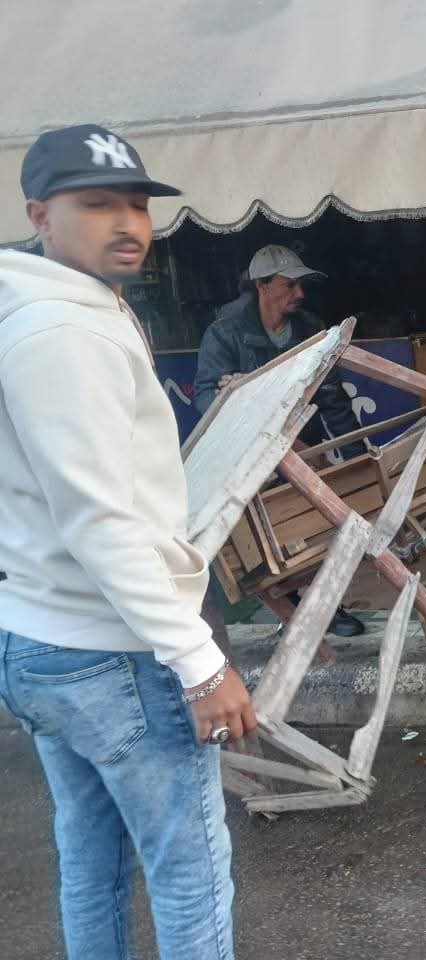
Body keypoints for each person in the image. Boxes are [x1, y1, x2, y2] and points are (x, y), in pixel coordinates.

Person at [0, 124, 253, 959]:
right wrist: (199, 662)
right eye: (98, 203)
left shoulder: (52, 309)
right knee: (191, 878)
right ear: (40, 215)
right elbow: (99, 520)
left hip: (44, 637)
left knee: (93, 861)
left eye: (139, 205)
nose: (127, 224)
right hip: (113, 650)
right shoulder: (61, 333)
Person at [194, 244, 366, 638]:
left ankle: (326, 604)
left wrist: (355, 459)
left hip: (303, 447)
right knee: (266, 537)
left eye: (302, 286)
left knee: (319, 521)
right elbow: (206, 397)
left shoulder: (310, 329)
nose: (299, 294)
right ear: (261, 285)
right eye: (289, 285)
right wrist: (235, 396)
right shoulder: (225, 331)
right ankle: (291, 606)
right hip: (248, 456)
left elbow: (333, 398)